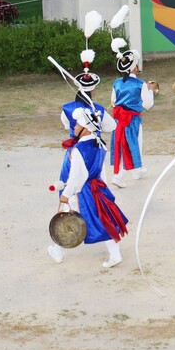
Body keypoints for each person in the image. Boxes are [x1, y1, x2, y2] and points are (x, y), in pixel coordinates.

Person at [47, 108, 127, 268]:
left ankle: (58, 250)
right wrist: (104, 187)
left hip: (82, 192)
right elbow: (100, 170)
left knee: (67, 219)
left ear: (85, 129)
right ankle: (114, 254)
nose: (75, 127)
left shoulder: (78, 150)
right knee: (103, 220)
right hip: (97, 188)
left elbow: (77, 176)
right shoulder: (100, 144)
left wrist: (66, 194)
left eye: (77, 125)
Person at [108, 46, 156, 188]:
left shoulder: (116, 82)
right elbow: (148, 105)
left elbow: (113, 101)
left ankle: (137, 171)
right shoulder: (140, 84)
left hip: (118, 120)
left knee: (122, 145)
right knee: (133, 145)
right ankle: (119, 175)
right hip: (132, 120)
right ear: (135, 67)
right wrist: (150, 91)